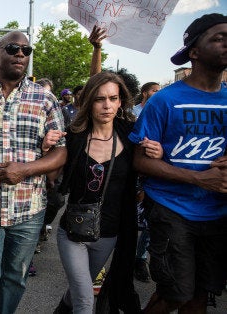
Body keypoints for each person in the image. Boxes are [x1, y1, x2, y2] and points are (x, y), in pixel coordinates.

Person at [0, 30, 67, 314]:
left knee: (14, 277)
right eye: (12, 48)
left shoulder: (45, 98)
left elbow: (62, 151)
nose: (20, 54)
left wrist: (26, 169)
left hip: (29, 207)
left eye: (26, 51)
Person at [129, 13, 227, 313]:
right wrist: (199, 178)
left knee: (202, 294)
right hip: (172, 209)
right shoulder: (164, 101)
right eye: (219, 38)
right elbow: (141, 162)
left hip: (218, 213)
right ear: (193, 52)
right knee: (176, 293)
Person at [53, 72, 161, 314]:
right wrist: (47, 147)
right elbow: (53, 179)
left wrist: (158, 152)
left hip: (109, 232)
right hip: (74, 231)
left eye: (113, 98)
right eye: (99, 99)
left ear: (121, 101)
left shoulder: (132, 136)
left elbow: (148, 168)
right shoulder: (74, 137)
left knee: (76, 292)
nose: (107, 105)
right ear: (89, 101)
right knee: (84, 300)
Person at [130, 81, 160, 284]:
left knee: (149, 222)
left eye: (159, 91)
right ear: (144, 92)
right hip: (133, 171)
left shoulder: (161, 110)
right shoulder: (132, 113)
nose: (157, 94)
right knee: (130, 218)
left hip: (153, 173)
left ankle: (140, 259)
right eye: (154, 91)